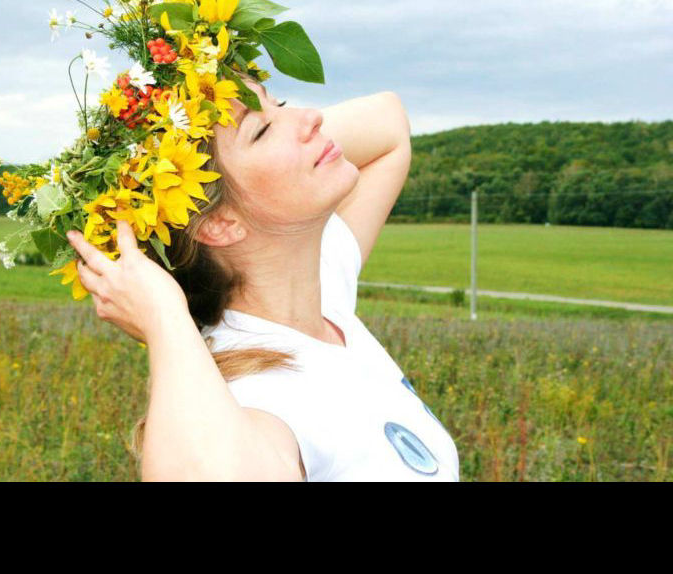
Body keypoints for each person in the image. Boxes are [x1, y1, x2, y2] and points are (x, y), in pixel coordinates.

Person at [67, 74, 460, 481]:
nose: (312, 117)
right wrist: (164, 317)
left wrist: (209, 102)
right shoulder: (252, 396)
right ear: (219, 223)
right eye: (262, 130)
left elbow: (388, 123)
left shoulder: (319, 292)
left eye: (281, 104)